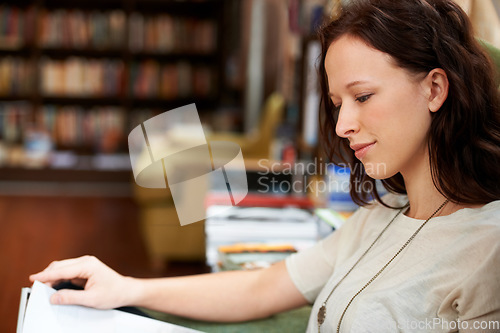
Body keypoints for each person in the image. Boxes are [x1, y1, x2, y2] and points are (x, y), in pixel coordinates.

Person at [30, 0, 500, 332]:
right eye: (337, 104)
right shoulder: (380, 216)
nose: (342, 125)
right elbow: (266, 288)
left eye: (363, 97)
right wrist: (127, 288)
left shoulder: (487, 254)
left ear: (435, 89)